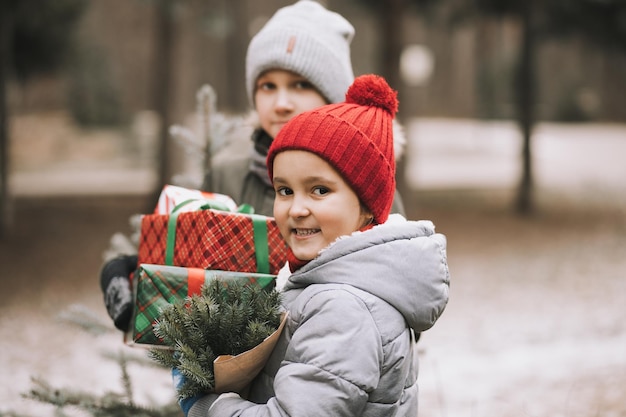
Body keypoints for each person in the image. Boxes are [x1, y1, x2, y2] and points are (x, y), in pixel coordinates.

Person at [100, 0, 407, 332]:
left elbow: (397, 288)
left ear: (332, 97)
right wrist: (125, 266)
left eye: (300, 85)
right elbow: (178, 241)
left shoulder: (365, 184)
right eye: (267, 86)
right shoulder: (228, 175)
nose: (281, 103)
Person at [177, 74, 450, 416]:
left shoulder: (344, 309)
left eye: (319, 190)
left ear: (368, 205)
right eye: (284, 190)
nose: (297, 208)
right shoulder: (323, 283)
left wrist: (208, 406)